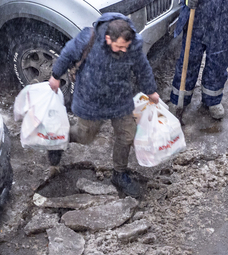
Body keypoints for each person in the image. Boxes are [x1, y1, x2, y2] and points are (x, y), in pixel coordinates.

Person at [47, 13, 159, 197]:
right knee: (84, 136)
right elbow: (67, 53)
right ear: (108, 38)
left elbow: (143, 68)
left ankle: (119, 174)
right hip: (91, 100)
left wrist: (151, 91)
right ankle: (58, 140)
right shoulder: (88, 38)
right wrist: (55, 75)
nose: (124, 50)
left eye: (126, 46)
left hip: (119, 99)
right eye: (120, 46)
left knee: (127, 136)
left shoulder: (132, 45)